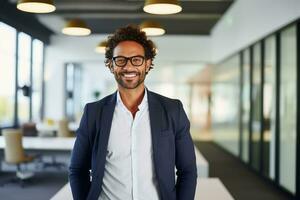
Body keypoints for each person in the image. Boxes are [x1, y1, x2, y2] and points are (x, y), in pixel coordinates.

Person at [69, 25, 197, 200]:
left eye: (136, 59)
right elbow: (78, 169)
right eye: (120, 60)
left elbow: (188, 171)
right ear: (111, 65)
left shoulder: (173, 110)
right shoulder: (94, 113)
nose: (128, 67)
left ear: (147, 63)